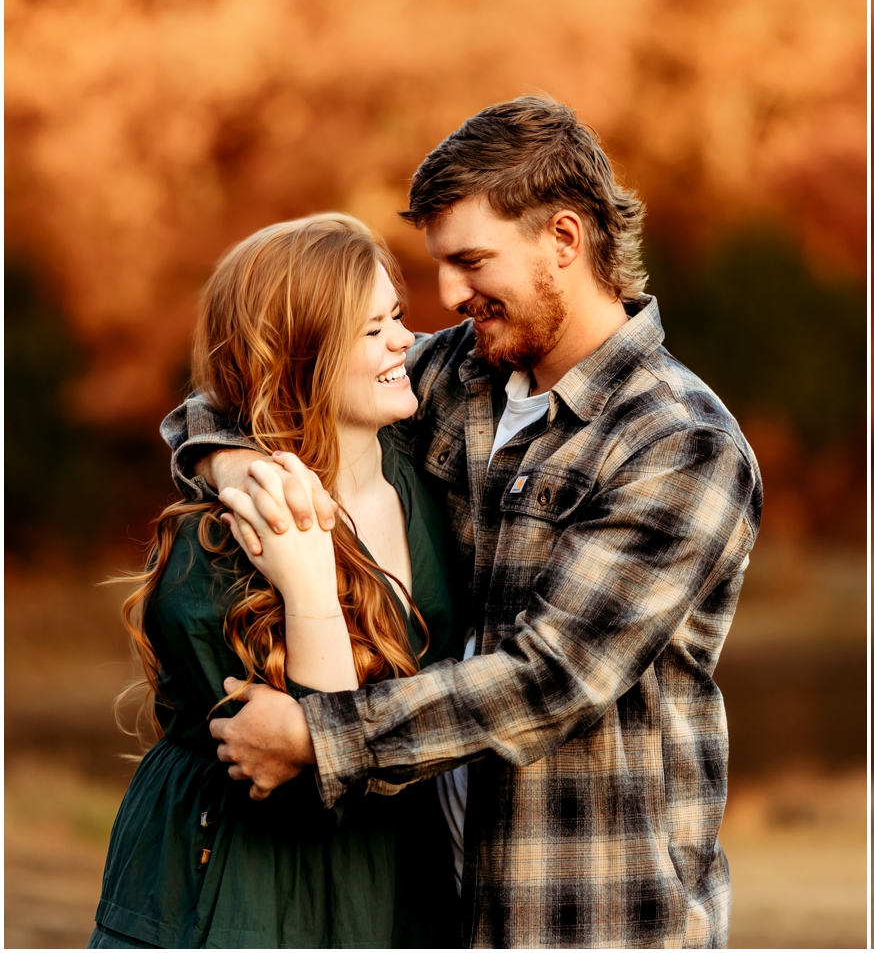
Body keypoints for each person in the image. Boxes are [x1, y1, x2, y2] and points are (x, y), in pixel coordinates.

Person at [161, 97, 762, 948]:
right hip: (431, 898)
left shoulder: (680, 443)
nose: (446, 295)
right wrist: (238, 463)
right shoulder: (457, 376)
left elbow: (552, 678)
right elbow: (252, 388)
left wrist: (319, 735)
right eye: (439, 264)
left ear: (564, 239)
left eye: (472, 261)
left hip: (590, 913)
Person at [91, 214, 461, 948]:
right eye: (371, 329)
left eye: (398, 317)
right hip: (244, 880)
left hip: (396, 871)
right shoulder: (222, 546)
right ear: (300, 359)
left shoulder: (424, 471)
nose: (405, 343)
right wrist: (311, 589)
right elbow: (305, 786)